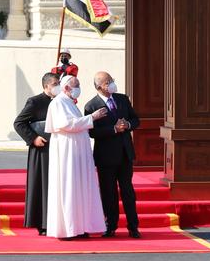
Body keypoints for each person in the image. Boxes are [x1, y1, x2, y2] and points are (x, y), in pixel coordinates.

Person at [44, 75, 108, 239]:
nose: (78, 88)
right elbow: (67, 124)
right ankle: (69, 229)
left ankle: (80, 226)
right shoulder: (58, 102)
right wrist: (92, 117)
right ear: (66, 87)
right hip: (67, 151)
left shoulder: (68, 102)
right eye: (76, 85)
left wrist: (88, 119)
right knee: (69, 186)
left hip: (77, 151)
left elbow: (76, 123)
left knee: (80, 187)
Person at [84, 71, 141, 239]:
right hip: (106, 157)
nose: (112, 83)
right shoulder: (91, 105)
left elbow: (136, 119)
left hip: (125, 154)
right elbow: (92, 133)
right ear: (99, 86)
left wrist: (128, 124)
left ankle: (133, 226)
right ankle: (111, 226)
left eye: (112, 80)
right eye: (108, 81)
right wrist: (113, 129)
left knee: (128, 191)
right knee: (109, 193)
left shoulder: (122, 99)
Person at [13, 72, 61, 236]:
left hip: (59, 148)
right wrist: (33, 138)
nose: (57, 86)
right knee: (43, 185)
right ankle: (43, 223)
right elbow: (19, 123)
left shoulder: (62, 101)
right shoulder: (35, 101)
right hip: (42, 149)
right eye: (55, 83)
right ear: (46, 85)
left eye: (58, 83)